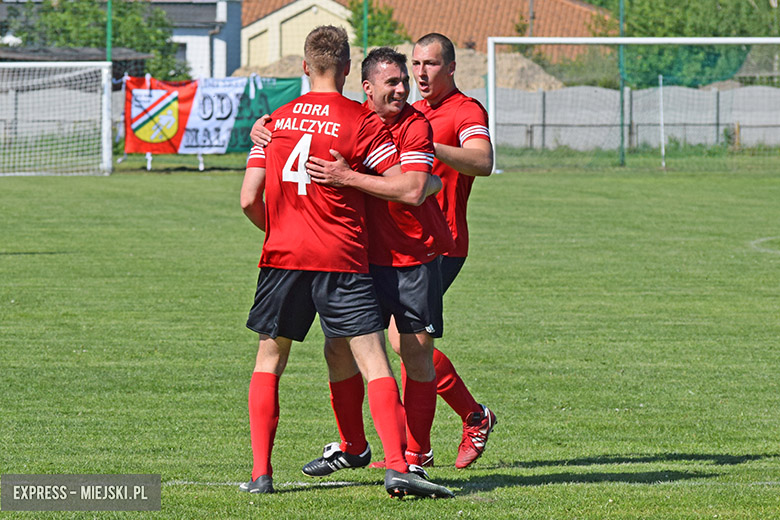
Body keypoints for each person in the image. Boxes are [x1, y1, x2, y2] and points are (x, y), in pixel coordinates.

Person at [238, 25, 452, 499]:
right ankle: (397, 465)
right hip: (340, 255)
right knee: (374, 359)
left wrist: (281, 231)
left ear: (303, 67)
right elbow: (405, 183)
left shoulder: (273, 121)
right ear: (350, 69)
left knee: (270, 360)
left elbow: (249, 198)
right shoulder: (360, 120)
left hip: (282, 257)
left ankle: (260, 475)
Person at [296, 47, 456, 475]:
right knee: (337, 349)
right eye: (393, 82)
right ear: (366, 88)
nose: (404, 88)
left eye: (404, 81)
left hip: (410, 256)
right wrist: (262, 129)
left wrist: (348, 177)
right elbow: (293, 135)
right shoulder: (350, 121)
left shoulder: (415, 126)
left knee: (415, 352)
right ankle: (353, 446)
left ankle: (417, 455)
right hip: (357, 259)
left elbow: (412, 189)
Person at [411, 33, 497, 469]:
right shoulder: (412, 110)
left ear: (450, 67)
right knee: (405, 342)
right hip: (406, 245)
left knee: (409, 342)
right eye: (415, 64)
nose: (420, 73)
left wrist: (428, 147)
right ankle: (460, 423)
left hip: (442, 245)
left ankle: (462, 423)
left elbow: (482, 161)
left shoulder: (466, 110)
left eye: (429, 64)